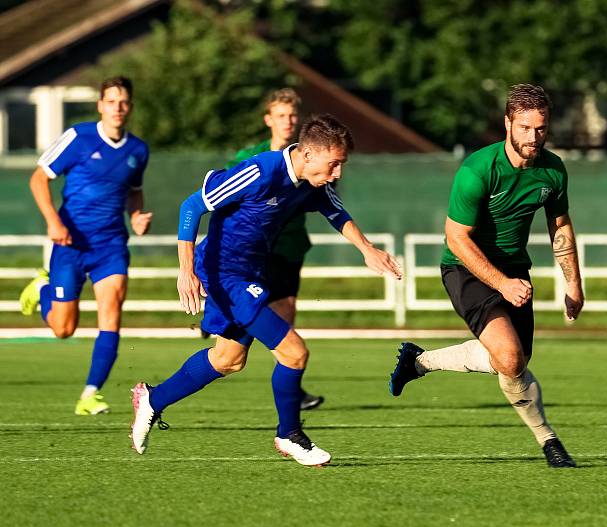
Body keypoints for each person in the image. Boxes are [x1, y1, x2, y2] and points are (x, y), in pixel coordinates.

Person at [130, 114, 402, 466]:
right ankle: (289, 434)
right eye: (334, 164)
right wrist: (185, 272)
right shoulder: (261, 171)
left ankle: (153, 399)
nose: (337, 174)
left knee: (228, 360)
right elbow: (192, 206)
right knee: (294, 353)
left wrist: (368, 250)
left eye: (341, 165)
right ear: (307, 155)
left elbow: (336, 214)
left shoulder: (312, 184)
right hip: (223, 274)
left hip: (251, 274)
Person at [388, 84, 584, 468]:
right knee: (510, 357)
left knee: (510, 362)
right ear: (507, 123)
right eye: (525, 128)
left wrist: (573, 283)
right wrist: (502, 284)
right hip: (466, 267)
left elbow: (559, 226)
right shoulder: (478, 170)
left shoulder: (553, 170)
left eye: (541, 128)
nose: (533, 137)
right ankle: (550, 442)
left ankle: (419, 362)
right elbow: (456, 238)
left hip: (514, 270)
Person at [19, 76, 151, 416]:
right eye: (111, 101)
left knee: (112, 313)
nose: (118, 108)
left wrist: (135, 216)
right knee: (64, 329)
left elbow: (133, 190)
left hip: (110, 246)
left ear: (130, 107)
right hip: (71, 242)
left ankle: (90, 394)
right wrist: (53, 221)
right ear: (100, 105)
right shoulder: (79, 137)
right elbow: (38, 178)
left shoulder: (138, 150)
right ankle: (44, 286)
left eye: (123, 102)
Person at [219, 88, 323, 411]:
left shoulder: (309, 160)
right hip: (252, 252)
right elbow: (220, 194)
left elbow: (325, 200)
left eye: (292, 115)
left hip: (288, 248)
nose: (288, 121)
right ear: (268, 119)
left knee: (286, 314)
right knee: (237, 345)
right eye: (281, 115)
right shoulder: (252, 159)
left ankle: (292, 383)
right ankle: (225, 323)